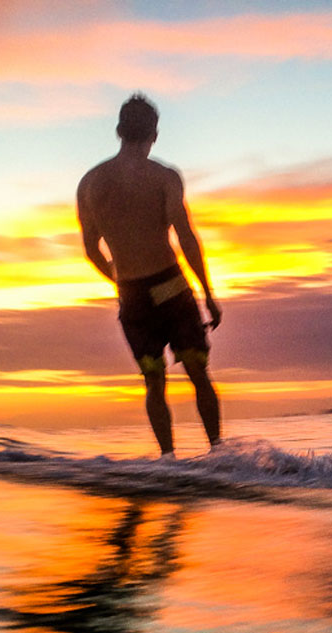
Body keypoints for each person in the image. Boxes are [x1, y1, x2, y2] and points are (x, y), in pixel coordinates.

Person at [77, 94, 221, 457]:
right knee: (197, 371)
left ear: (118, 131)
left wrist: (121, 281)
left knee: (154, 380)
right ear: (154, 134)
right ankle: (219, 453)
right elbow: (185, 236)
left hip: (132, 296)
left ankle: (168, 462)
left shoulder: (90, 183)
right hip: (171, 287)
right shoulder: (164, 177)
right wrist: (207, 294)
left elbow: (92, 249)